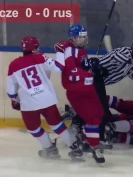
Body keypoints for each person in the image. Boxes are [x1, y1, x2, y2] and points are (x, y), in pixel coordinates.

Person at [6, 37, 83, 162]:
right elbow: (58, 68)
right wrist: (60, 52)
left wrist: (13, 99)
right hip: (47, 99)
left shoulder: (13, 65)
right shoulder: (41, 57)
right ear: (35, 48)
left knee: (34, 128)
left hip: (28, 103)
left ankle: (50, 149)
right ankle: (75, 149)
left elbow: (11, 88)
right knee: (57, 125)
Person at [54, 24, 105, 165]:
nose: (83, 39)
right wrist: (86, 72)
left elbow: (83, 68)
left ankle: (84, 140)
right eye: (80, 37)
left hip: (88, 89)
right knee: (92, 119)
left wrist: (93, 68)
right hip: (77, 92)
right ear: (73, 37)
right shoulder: (69, 50)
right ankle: (95, 147)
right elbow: (72, 74)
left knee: (100, 113)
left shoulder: (80, 50)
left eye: (84, 37)